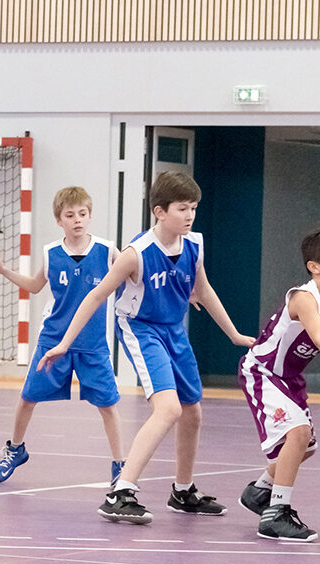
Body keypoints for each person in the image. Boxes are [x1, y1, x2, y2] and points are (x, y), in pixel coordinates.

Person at [41, 171, 255, 524]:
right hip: (141, 330)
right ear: (159, 211)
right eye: (182, 209)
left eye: (194, 209)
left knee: (193, 412)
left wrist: (233, 334)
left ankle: (183, 490)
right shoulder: (135, 254)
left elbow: (203, 290)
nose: (190, 215)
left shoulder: (193, 245)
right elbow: (96, 296)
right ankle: (121, 491)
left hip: (174, 330)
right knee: (168, 409)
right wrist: (64, 342)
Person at [0, 186, 125, 485]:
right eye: (70, 215)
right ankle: (15, 449)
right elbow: (35, 286)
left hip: (92, 344)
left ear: (90, 216)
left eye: (83, 214)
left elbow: (134, 277)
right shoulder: (51, 253)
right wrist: (2, 269)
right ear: (59, 220)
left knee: (108, 406)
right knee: (27, 398)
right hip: (53, 341)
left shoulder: (108, 250)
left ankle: (121, 465)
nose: (77, 220)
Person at [237, 227, 320, 542]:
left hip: (290, 378)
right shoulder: (304, 298)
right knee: (298, 433)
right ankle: (276, 514)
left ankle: (259, 491)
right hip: (263, 371)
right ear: (315, 266)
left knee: (306, 447)